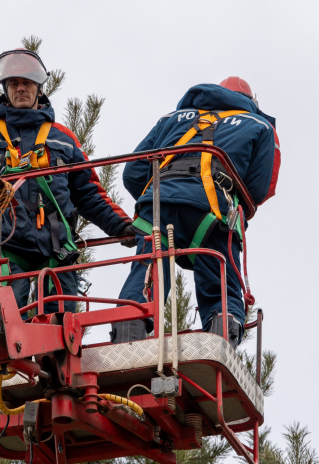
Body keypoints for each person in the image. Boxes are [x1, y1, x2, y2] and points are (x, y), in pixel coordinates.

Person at [0, 48, 132, 316]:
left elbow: (88, 192)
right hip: (6, 242)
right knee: (9, 317)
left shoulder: (62, 137)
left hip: (56, 244)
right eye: (14, 83)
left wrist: (122, 226)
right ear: (5, 89)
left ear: (39, 89)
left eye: (27, 83)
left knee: (62, 319)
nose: (20, 88)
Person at [111, 77, 281, 348]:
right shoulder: (258, 125)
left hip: (159, 204)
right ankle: (219, 348)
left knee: (148, 271)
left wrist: (160, 198)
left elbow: (133, 173)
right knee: (220, 280)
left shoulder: (173, 118)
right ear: (251, 102)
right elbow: (258, 188)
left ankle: (127, 338)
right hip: (212, 209)